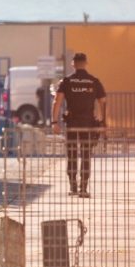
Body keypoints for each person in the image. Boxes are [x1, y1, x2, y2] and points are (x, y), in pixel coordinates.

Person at [52, 53, 106, 198]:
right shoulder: (93, 81)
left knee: (71, 155)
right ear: (86, 63)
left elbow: (57, 102)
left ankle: (73, 186)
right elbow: (103, 102)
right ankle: (83, 187)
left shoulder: (67, 81)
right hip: (88, 124)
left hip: (72, 123)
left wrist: (54, 122)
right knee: (86, 154)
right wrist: (102, 122)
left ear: (73, 64)